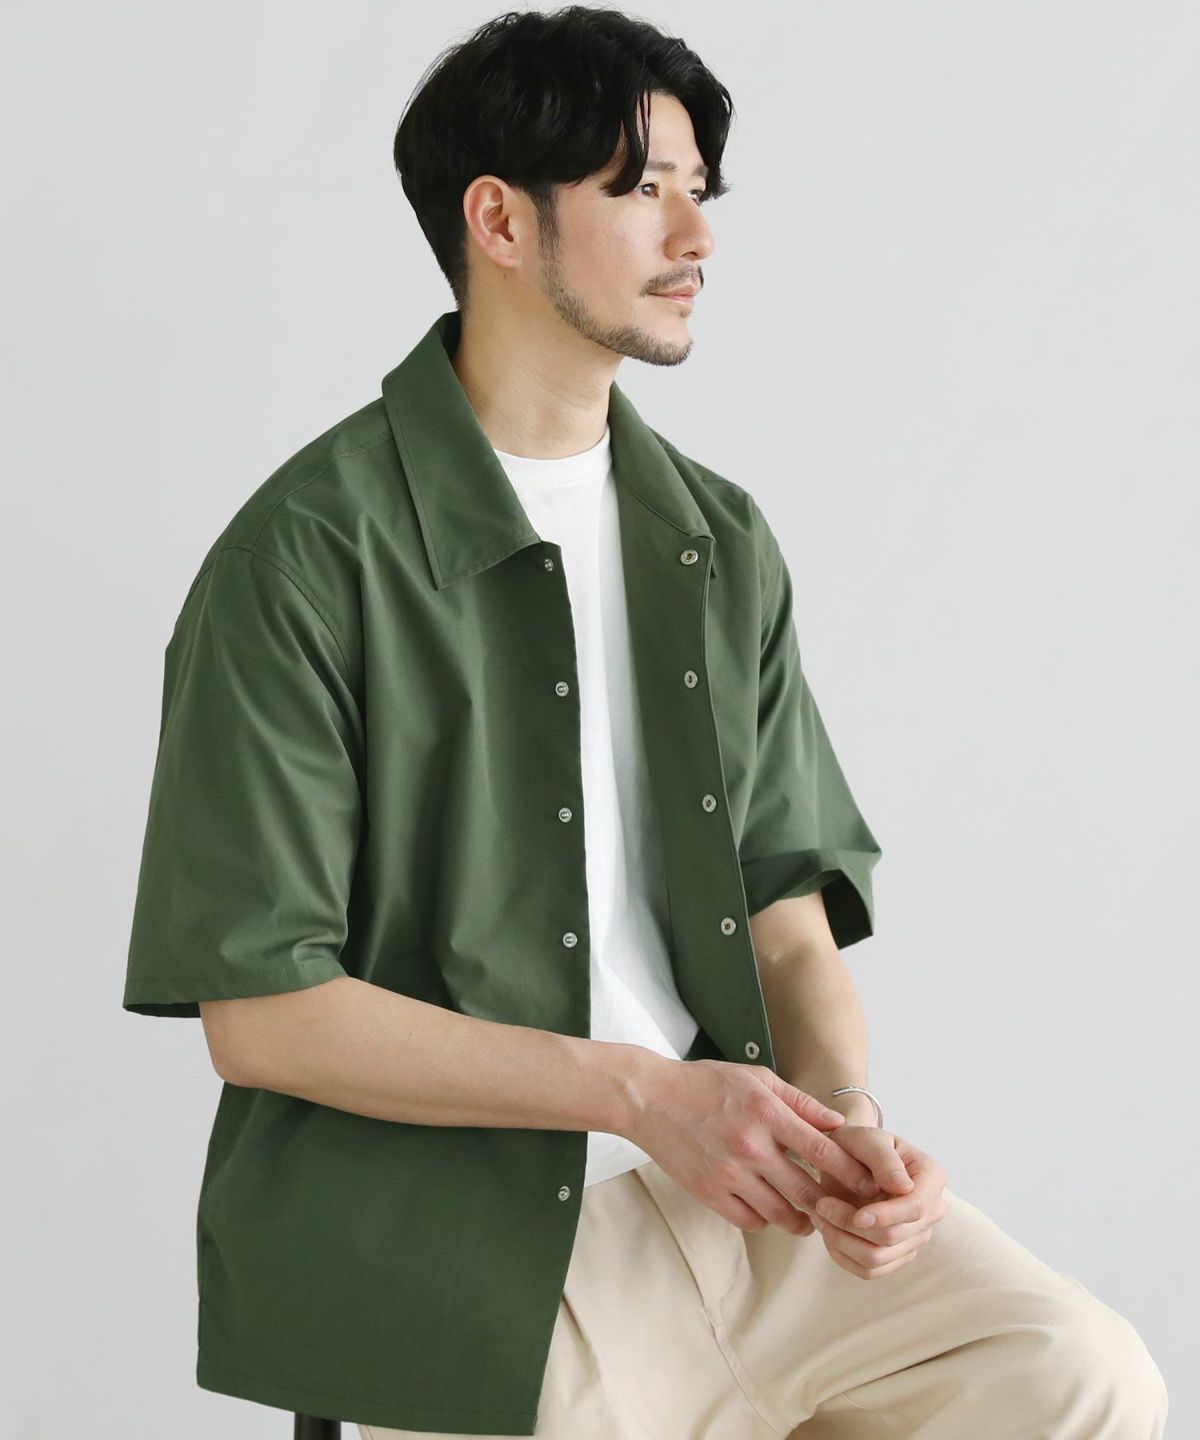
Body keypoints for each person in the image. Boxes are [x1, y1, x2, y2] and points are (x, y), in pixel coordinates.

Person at [123, 7, 1168, 1437]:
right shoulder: (306, 558)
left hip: (741, 1202)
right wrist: (638, 1095)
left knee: (1077, 1377)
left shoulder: (716, 538)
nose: (696, 236)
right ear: (500, 220)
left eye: (699, 189)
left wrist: (844, 1124)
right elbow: (263, 1014)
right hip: (475, 1243)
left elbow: (785, 918)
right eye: (641, 189)